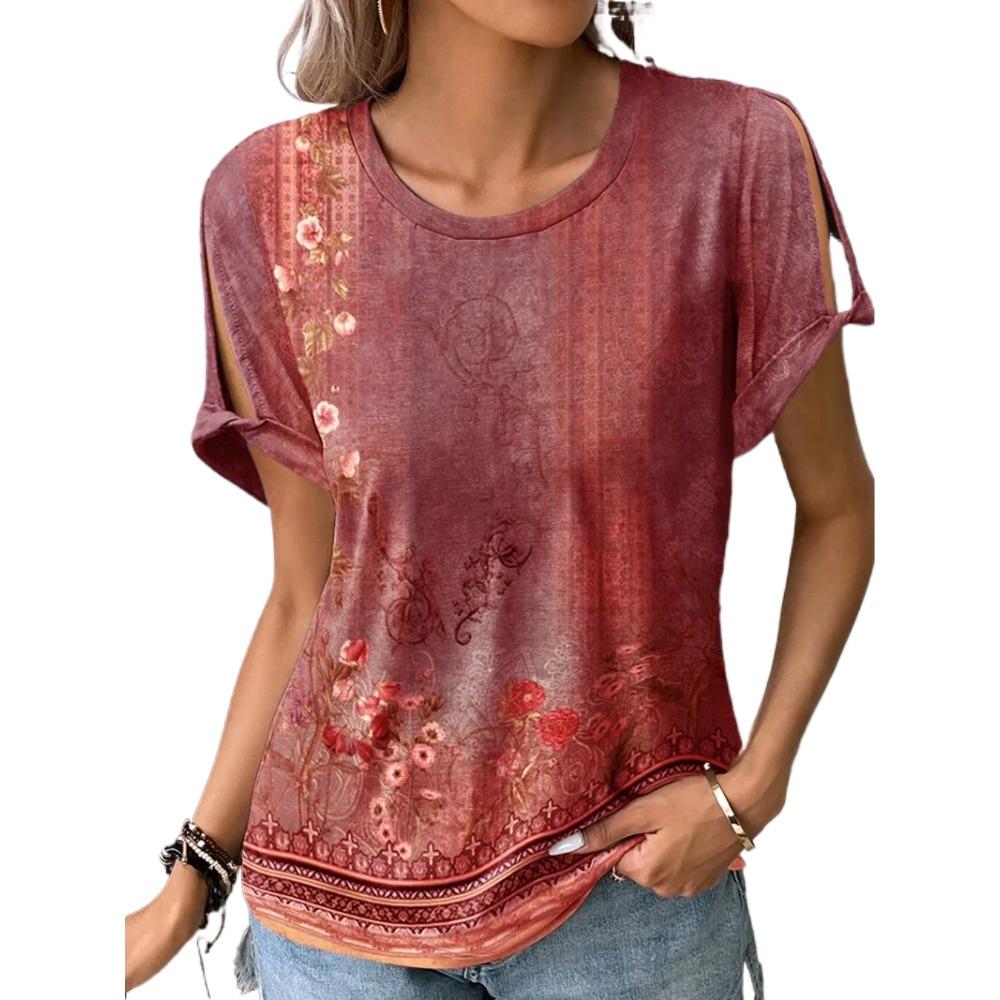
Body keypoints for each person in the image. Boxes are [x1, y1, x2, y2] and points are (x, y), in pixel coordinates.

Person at [124, 2, 876, 997]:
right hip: (333, 932)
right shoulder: (272, 199)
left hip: (627, 901)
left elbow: (838, 507)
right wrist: (193, 876)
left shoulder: (735, 157)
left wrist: (754, 789)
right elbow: (308, 592)